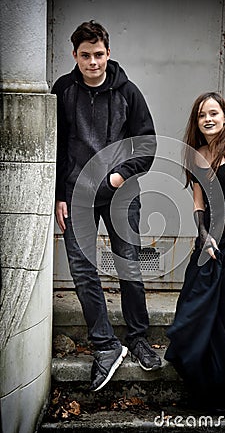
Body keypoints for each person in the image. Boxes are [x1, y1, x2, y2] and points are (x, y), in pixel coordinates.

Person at [52, 20, 161, 392]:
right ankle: (105, 345)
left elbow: (146, 145)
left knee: (128, 263)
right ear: (75, 56)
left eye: (99, 54)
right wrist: (58, 195)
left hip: (121, 193)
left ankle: (139, 338)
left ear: (108, 53)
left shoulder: (128, 92)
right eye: (85, 56)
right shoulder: (64, 90)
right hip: (76, 194)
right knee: (83, 271)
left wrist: (119, 176)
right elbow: (57, 146)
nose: (93, 62)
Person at [165, 92, 225, 411]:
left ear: (224, 118)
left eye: (213, 113)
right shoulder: (196, 155)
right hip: (210, 240)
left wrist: (214, 236)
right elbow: (198, 203)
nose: (207, 119)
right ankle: (203, 387)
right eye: (201, 115)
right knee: (196, 306)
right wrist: (204, 236)